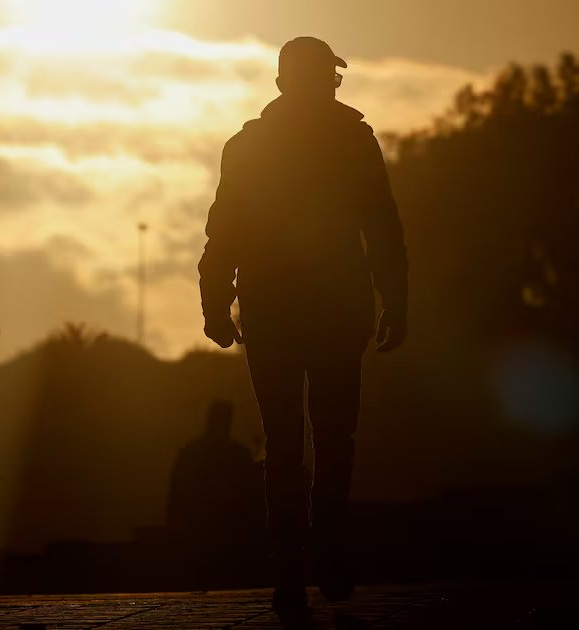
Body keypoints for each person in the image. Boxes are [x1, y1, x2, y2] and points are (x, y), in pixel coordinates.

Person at [197, 36, 408, 618]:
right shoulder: (352, 141)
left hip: (274, 310)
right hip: (333, 309)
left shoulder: (249, 146)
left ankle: (291, 569)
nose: (330, 88)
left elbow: (225, 230)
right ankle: (324, 556)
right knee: (331, 439)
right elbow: (381, 226)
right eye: (328, 78)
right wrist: (395, 299)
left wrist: (216, 301)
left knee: (285, 443)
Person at [166, 399, 260, 583]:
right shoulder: (238, 454)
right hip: (221, 531)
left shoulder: (191, 452)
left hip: (206, 531)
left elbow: (177, 495)